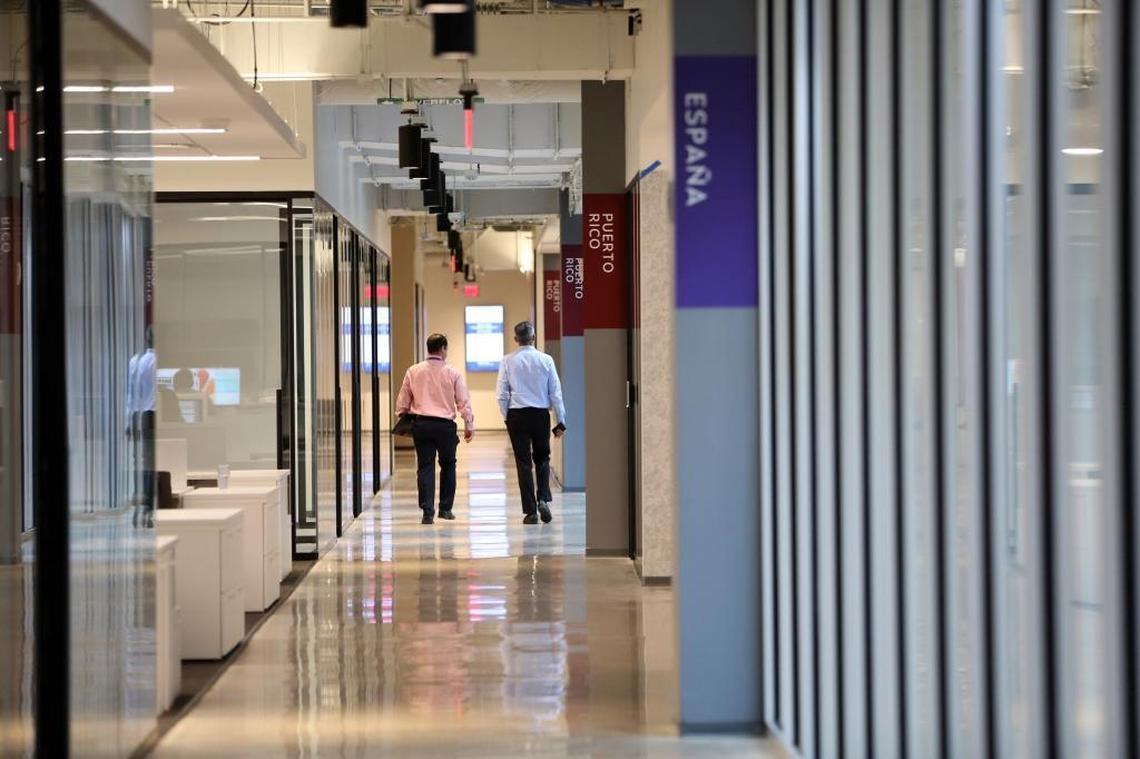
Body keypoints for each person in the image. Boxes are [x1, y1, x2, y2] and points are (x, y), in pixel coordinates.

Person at [396, 333, 475, 525]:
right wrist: (468, 424)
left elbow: (402, 402)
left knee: (425, 467)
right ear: (443, 349)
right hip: (445, 427)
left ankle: (427, 512)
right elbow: (463, 401)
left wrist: (403, 416)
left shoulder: (413, 371)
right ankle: (445, 509)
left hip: (421, 425)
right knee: (448, 465)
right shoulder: (453, 372)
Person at [496, 321, 566, 525]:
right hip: (540, 415)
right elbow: (556, 393)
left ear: (516, 339)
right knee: (543, 459)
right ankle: (543, 498)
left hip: (517, 415)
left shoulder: (507, 361)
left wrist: (507, 416)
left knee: (523, 463)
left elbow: (501, 394)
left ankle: (530, 511)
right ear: (533, 338)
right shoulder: (546, 360)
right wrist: (560, 422)